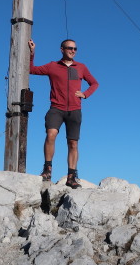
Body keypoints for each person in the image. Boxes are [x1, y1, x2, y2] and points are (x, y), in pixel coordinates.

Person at [28, 38, 99, 189]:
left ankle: (71, 177)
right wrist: (32, 53)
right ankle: (47, 170)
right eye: (69, 48)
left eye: (75, 49)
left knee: (73, 143)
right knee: (51, 134)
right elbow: (31, 69)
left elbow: (94, 83)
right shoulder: (52, 66)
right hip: (56, 108)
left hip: (74, 110)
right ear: (62, 49)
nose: (73, 51)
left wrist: (85, 94)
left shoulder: (81, 67)